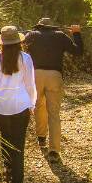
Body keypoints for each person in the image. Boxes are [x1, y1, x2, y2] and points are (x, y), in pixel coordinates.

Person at [0, 25, 37, 183]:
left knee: (5, 137)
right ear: (19, 42)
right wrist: (32, 103)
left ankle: (7, 168)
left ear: (2, 42)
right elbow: (30, 84)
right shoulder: (26, 59)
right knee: (18, 145)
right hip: (20, 105)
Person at [23, 17, 83, 161]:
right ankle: (54, 151)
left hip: (36, 75)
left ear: (39, 26)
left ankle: (41, 137)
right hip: (54, 75)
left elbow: (19, 47)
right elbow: (78, 52)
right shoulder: (60, 36)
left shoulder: (31, 35)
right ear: (52, 27)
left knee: (39, 106)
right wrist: (76, 33)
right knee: (54, 113)